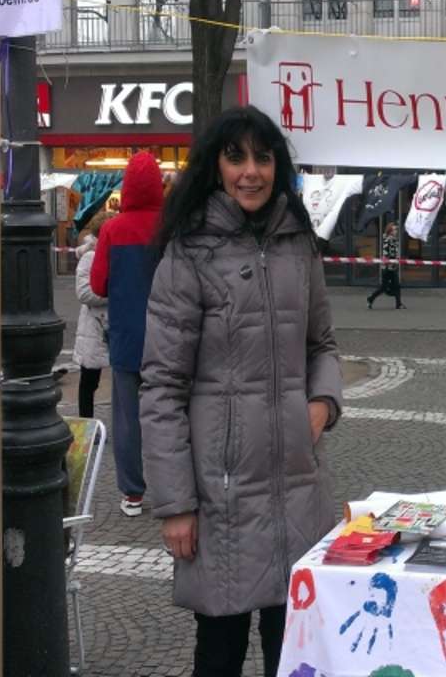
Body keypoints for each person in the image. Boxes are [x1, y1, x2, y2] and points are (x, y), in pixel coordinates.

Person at [140, 106, 342, 677]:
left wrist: (323, 404)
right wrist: (175, 504)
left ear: (278, 165)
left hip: (297, 488)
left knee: (295, 653)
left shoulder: (298, 243)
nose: (250, 172)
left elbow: (322, 342)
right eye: (236, 157)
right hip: (220, 497)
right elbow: (161, 386)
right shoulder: (189, 253)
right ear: (215, 167)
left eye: (263, 157)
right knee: (221, 653)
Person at [90, 150, 164, 517]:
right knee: (172, 415)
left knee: (127, 419)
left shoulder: (111, 230)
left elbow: (98, 284)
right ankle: (173, 491)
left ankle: (132, 494)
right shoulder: (173, 227)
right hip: (170, 340)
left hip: (126, 340)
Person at [73, 211, 111, 419]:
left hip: (115, 324)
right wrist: (115, 295)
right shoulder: (90, 257)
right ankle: (86, 426)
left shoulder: (117, 252)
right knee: (89, 381)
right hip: (96, 327)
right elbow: (84, 293)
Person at [367, 221, 404, 309]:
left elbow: (395, 252)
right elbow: (387, 253)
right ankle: (371, 298)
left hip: (392, 267)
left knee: (396, 285)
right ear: (390, 231)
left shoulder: (394, 240)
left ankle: (398, 304)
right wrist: (392, 261)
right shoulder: (388, 240)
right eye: (394, 230)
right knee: (384, 287)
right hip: (388, 268)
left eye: (396, 229)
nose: (396, 231)